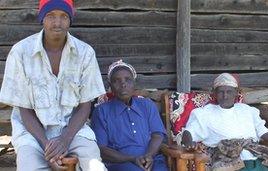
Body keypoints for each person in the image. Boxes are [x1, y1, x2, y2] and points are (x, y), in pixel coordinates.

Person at [0, 0, 107, 170]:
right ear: (42, 18)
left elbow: (85, 106)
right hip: (32, 134)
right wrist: (48, 147)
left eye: (64, 16)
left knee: (95, 166)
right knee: (29, 167)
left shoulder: (85, 53)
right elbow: (24, 110)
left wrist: (64, 140)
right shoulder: (20, 52)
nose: (57, 23)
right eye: (50, 16)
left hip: (74, 131)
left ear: (70, 19)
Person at [182, 73, 268, 171]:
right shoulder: (203, 113)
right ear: (214, 93)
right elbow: (188, 133)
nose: (225, 96)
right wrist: (189, 143)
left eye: (229, 91)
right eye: (221, 92)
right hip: (227, 160)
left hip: (255, 156)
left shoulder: (247, 110)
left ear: (236, 93)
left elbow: (264, 133)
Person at [91, 60, 168, 171]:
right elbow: (101, 149)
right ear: (110, 86)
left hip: (152, 160)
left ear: (134, 83)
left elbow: (157, 135)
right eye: (116, 81)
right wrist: (132, 159)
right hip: (121, 163)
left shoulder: (147, 105)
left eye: (128, 80)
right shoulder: (101, 111)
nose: (123, 84)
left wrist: (149, 156)